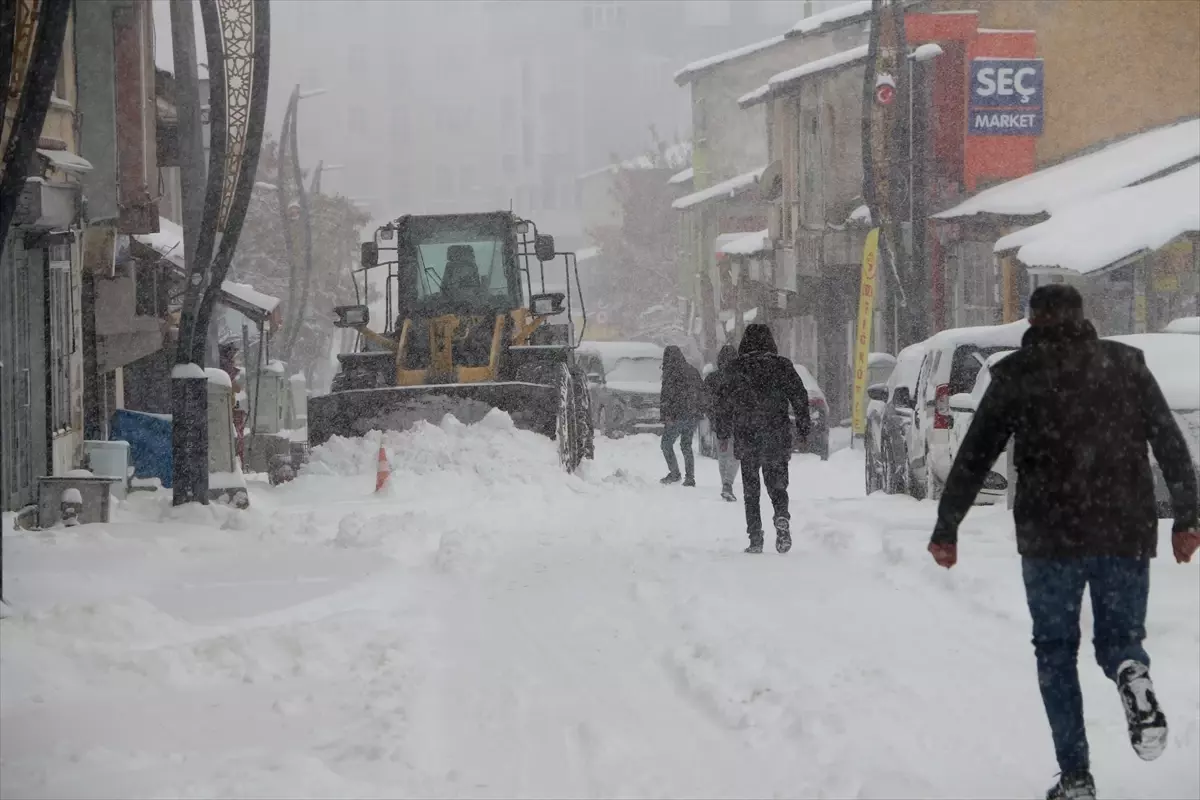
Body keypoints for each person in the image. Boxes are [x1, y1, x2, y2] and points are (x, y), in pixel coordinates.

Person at [926, 284, 1200, 800]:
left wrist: (947, 527)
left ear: (1033, 319)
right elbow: (1169, 440)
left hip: (1049, 535)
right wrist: (1187, 518)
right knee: (1120, 640)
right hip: (1124, 529)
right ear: (1082, 317)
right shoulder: (1126, 365)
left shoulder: (1016, 376)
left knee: (1055, 652)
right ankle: (1130, 672)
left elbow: (975, 454)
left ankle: (1075, 777)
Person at [716, 324, 810, 554]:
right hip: (776, 433)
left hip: (747, 433)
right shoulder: (782, 366)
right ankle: (781, 516)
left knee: (751, 489)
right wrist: (803, 428)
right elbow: (799, 396)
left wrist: (723, 432)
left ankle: (756, 538)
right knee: (777, 483)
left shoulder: (735, 368)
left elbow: (723, 402)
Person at [659, 345, 703, 486]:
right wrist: (699, 410)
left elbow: (667, 396)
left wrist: (666, 415)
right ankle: (690, 477)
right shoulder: (692, 370)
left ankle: (675, 473)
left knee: (666, 444)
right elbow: (702, 392)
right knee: (686, 445)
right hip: (692, 415)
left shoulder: (670, 372)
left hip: (676, 416)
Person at [704, 344, 740, 502]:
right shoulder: (741, 378)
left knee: (723, 454)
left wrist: (712, 415)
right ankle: (728, 483)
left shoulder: (712, 378)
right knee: (735, 455)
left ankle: (725, 483)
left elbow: (705, 400)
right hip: (737, 422)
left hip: (719, 421)